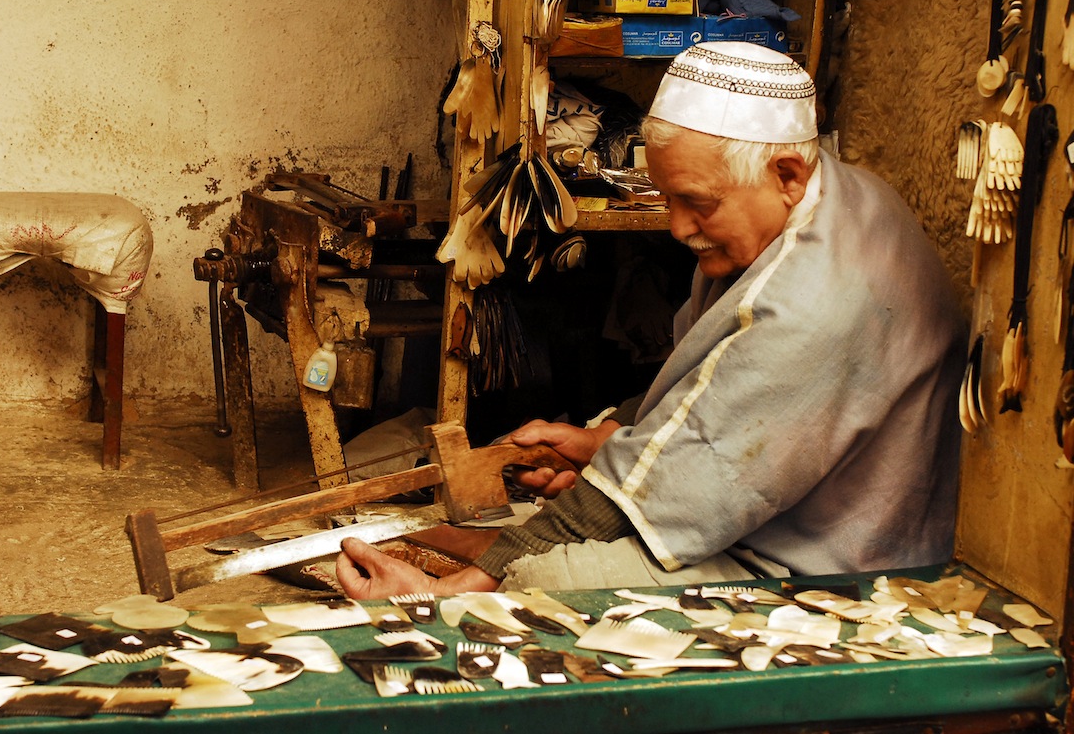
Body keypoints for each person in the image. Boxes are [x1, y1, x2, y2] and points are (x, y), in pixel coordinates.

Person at [336, 41, 966, 599]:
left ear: (787, 175)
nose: (677, 227)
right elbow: (717, 376)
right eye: (666, 197)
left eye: (696, 203)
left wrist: (442, 593)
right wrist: (608, 431)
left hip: (830, 570)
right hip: (809, 507)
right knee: (552, 526)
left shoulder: (813, 303)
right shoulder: (843, 193)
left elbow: (692, 471)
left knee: (547, 581)